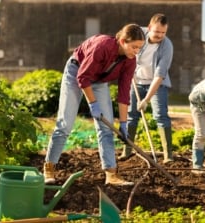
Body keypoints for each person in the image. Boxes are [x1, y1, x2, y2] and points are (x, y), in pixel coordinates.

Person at [43, 24, 145, 185]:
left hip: (99, 81)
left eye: (140, 48)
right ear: (123, 41)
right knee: (65, 124)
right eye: (134, 47)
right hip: (76, 72)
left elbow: (124, 93)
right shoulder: (102, 46)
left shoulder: (130, 61)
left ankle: (111, 174)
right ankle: (49, 169)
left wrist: (124, 124)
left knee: (106, 128)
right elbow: (83, 77)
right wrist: (93, 104)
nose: (136, 51)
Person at [118, 13, 174, 163]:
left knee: (161, 116)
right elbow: (124, 44)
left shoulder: (166, 46)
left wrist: (147, 99)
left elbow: (160, 75)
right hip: (136, 81)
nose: (160, 35)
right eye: (157, 31)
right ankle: (127, 150)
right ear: (149, 28)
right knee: (131, 116)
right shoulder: (138, 34)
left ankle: (168, 155)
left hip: (157, 84)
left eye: (163, 32)